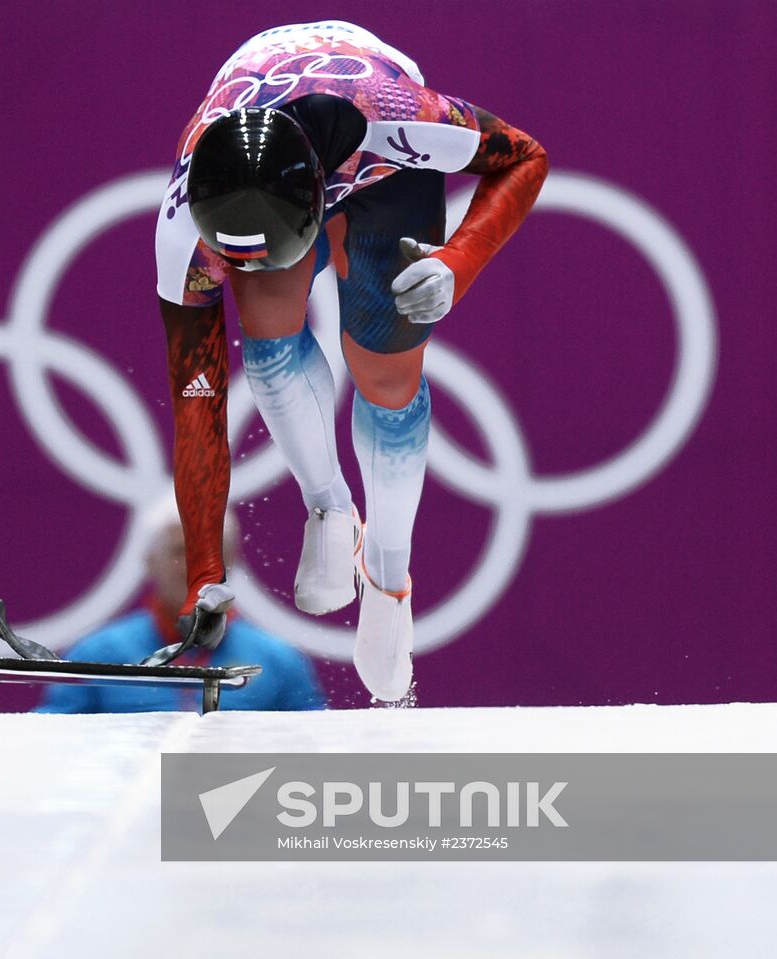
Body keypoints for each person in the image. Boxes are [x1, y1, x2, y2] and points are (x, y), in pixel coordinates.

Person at [155, 21, 548, 701]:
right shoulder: (183, 229)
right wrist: (203, 571)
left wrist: (460, 261)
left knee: (385, 373)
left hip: (380, 162)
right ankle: (329, 507)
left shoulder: (403, 119)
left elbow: (527, 158)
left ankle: (389, 572)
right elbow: (200, 403)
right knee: (267, 332)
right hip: (274, 148)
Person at [35, 507, 326, 712]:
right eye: (180, 552)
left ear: (233, 561)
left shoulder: (279, 659)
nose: (198, 568)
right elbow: (53, 746)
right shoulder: (97, 654)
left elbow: (316, 753)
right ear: (150, 561)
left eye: (213, 552)